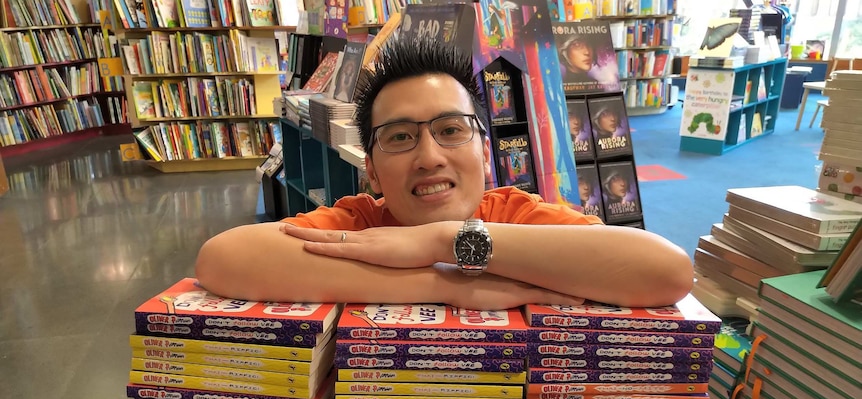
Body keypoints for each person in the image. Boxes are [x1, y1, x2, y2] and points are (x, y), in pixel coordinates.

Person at [195, 37, 693, 309]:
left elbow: (666, 272)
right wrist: (444, 284)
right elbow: (222, 260)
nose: (429, 156)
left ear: (484, 150)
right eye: (399, 136)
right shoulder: (360, 223)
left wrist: (446, 241)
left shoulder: (513, 215)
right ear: (371, 170)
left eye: (450, 130)